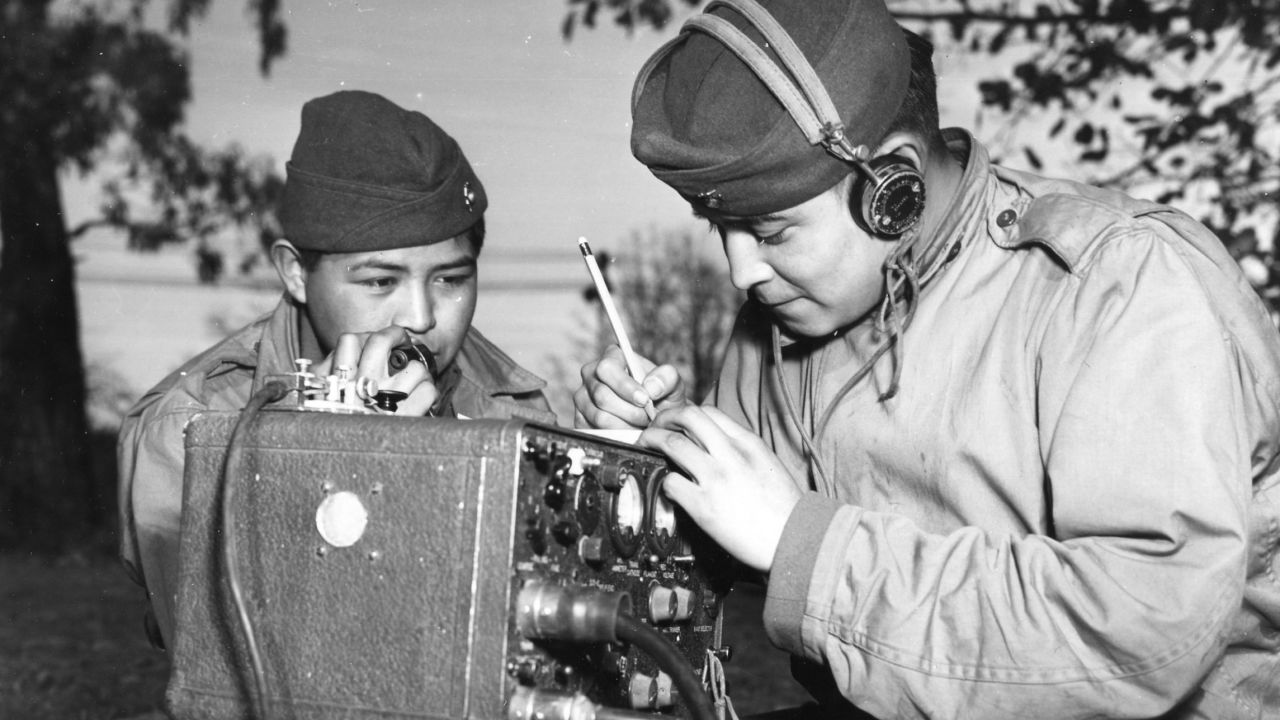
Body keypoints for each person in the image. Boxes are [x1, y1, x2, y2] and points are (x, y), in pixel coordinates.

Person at [574, 0, 1280, 717]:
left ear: (892, 190)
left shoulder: (1118, 283)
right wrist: (644, 465)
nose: (741, 272)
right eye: (720, 228)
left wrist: (810, 550)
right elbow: (726, 546)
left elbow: (1139, 630)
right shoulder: (786, 315)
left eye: (770, 231)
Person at [118, 90, 556, 653]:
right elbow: (220, 668)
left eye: (450, 279)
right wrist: (306, 468)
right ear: (296, 274)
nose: (420, 318)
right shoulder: (190, 432)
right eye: (380, 282)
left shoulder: (510, 406)